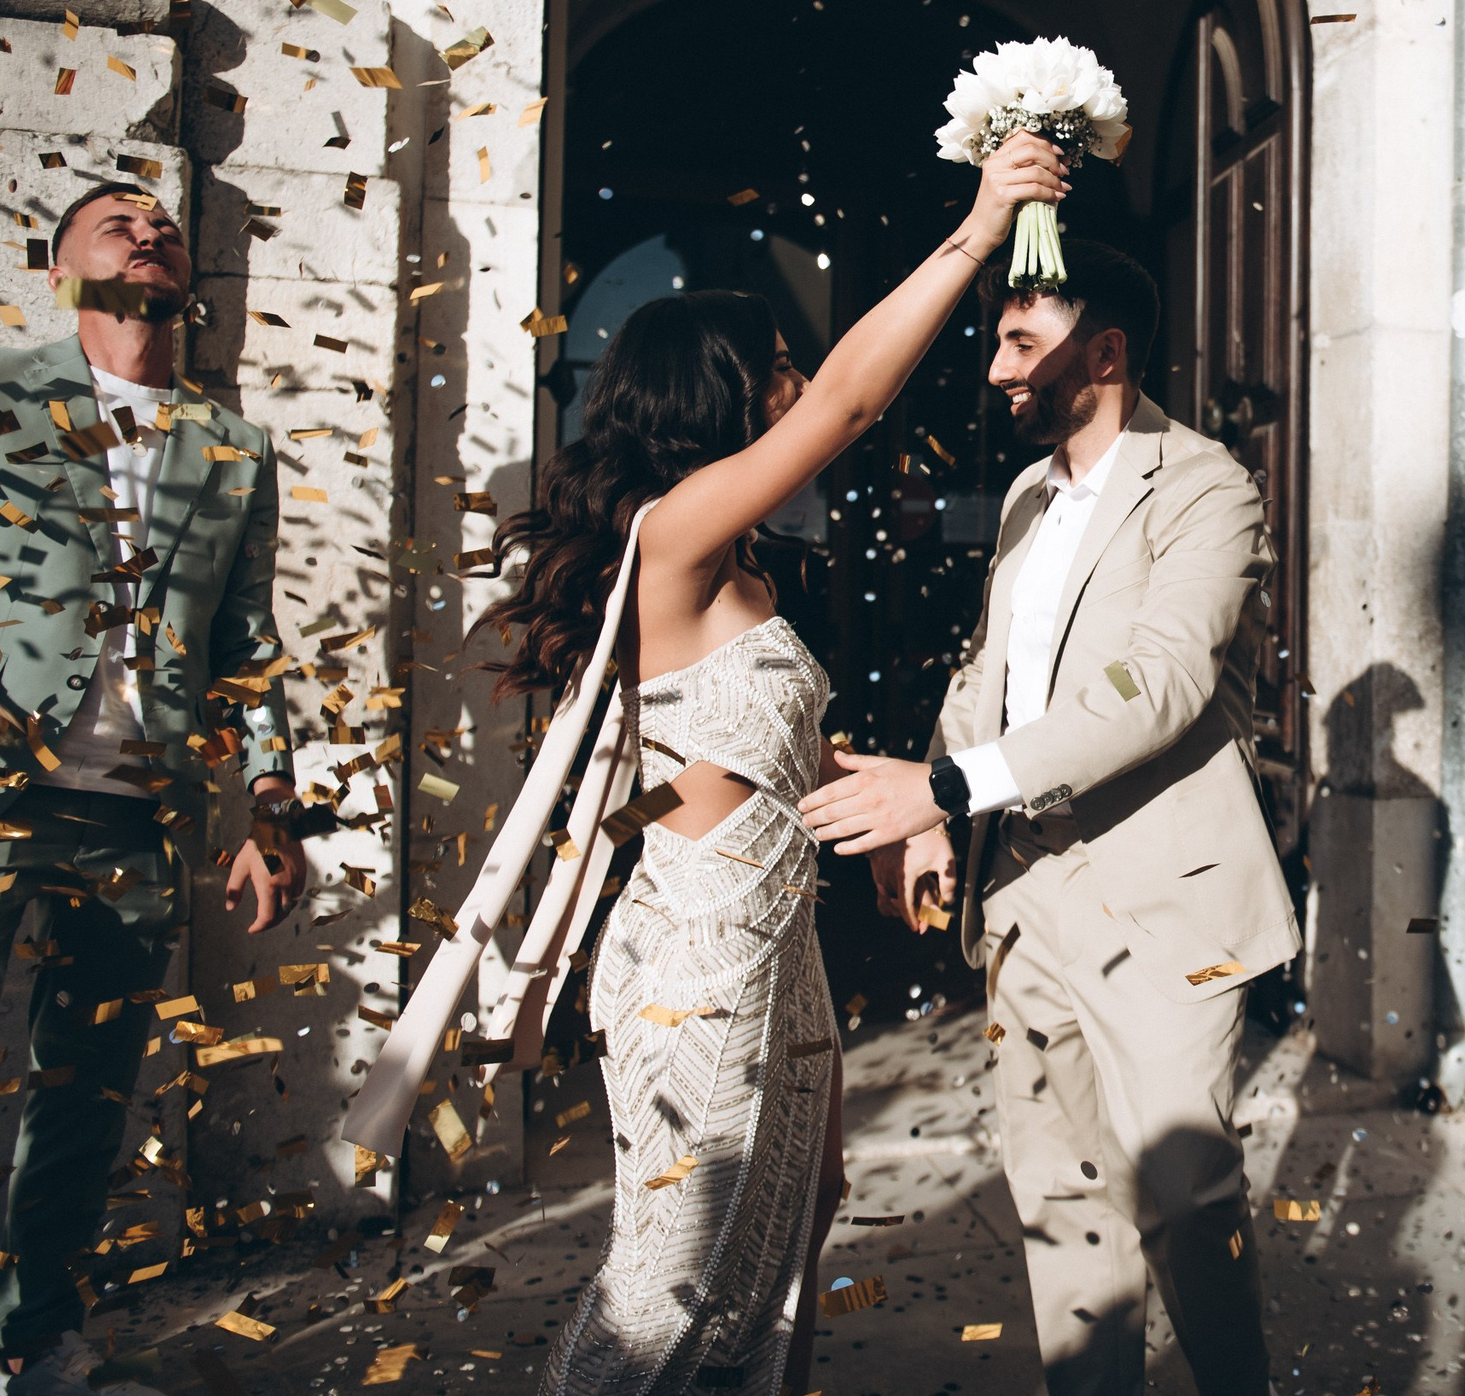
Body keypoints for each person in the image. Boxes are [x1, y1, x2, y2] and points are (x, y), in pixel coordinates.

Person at [473, 131, 1062, 1396]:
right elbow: (854, 401)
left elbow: (741, 749)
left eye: (794, 364)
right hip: (698, 957)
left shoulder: (733, 562)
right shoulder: (672, 534)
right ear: (717, 394)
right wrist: (977, 228)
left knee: (795, 1226)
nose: (801, 386)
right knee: (674, 1280)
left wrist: (905, 802)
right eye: (781, 366)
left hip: (777, 944)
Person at [800, 240, 1295, 1396]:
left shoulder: (1208, 484)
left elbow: (1159, 683)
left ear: (1104, 351)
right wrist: (933, 812)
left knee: (1186, 1195)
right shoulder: (1027, 492)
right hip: (1021, 890)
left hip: (1163, 898)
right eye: (998, 340)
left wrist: (940, 787)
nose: (995, 368)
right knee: (1062, 1195)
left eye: (1022, 343)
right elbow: (991, 669)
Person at [0, 183, 303, 1396]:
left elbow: (246, 640)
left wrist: (269, 809)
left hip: (138, 810)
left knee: (84, 1092)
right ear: (59, 267)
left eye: (161, 221)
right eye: (116, 220)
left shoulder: (236, 445)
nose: (149, 228)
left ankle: (34, 1334)